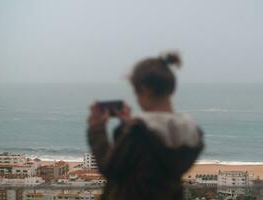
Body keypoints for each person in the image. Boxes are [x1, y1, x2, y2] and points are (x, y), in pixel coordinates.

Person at [87, 52, 204, 200]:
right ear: (171, 90)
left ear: (145, 90)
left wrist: (97, 129)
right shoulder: (191, 133)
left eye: (136, 92)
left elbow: (110, 168)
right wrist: (127, 125)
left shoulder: (137, 134)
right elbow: (150, 163)